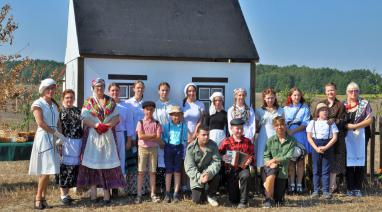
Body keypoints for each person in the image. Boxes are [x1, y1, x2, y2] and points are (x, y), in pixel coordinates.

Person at [76, 78, 125, 205]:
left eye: (101, 86)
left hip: (108, 136)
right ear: (93, 88)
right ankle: (93, 195)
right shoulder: (89, 101)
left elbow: (116, 117)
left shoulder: (110, 101)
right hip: (93, 136)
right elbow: (84, 118)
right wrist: (97, 126)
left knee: (106, 164)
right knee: (93, 165)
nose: (99, 88)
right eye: (97, 86)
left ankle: (106, 196)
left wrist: (107, 126)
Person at [29, 78, 61, 209]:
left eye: (53, 88)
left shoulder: (54, 105)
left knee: (49, 169)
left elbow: (58, 122)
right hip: (44, 137)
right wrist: (55, 133)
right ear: (43, 90)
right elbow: (40, 122)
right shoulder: (38, 103)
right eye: (49, 88)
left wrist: (60, 135)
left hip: (53, 136)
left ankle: (43, 198)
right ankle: (38, 198)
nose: (51, 91)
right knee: (45, 170)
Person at [344, 82, 372, 197]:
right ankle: (350, 187)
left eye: (356, 90)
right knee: (349, 162)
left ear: (359, 92)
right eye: (351, 91)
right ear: (347, 93)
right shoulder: (343, 105)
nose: (354, 93)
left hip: (362, 136)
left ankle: (358, 188)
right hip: (347, 137)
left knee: (360, 161)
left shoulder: (364, 104)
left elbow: (369, 120)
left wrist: (355, 126)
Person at [55, 89, 83, 205]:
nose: (69, 100)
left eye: (71, 97)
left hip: (78, 141)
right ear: (63, 99)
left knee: (74, 169)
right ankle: (63, 195)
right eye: (67, 97)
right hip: (66, 141)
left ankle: (67, 194)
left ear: (74, 98)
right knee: (65, 168)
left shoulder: (78, 111)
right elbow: (58, 127)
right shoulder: (60, 112)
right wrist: (60, 143)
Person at [317, 83, 347, 193]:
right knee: (325, 160)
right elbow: (315, 117)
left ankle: (332, 185)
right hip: (323, 138)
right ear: (325, 92)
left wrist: (335, 121)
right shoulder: (321, 104)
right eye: (328, 90)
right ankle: (324, 184)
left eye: (332, 90)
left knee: (336, 160)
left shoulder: (340, 105)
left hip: (337, 138)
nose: (330, 92)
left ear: (336, 91)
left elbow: (344, 121)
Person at [219, 118, 255, 209]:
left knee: (246, 176)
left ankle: (243, 201)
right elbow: (218, 153)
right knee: (233, 200)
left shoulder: (248, 141)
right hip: (230, 169)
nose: (239, 131)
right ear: (231, 129)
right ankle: (238, 196)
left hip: (243, 168)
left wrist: (250, 160)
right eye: (237, 128)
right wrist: (223, 157)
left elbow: (253, 155)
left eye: (241, 128)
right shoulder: (226, 141)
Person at [262, 116, 296, 208]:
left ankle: (268, 188)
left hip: (283, 171)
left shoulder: (292, 141)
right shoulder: (270, 140)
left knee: (278, 201)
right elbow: (266, 156)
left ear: (285, 126)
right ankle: (267, 199)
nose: (279, 127)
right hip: (270, 168)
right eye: (277, 125)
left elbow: (288, 156)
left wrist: (275, 160)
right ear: (274, 127)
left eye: (282, 125)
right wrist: (271, 163)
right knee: (272, 171)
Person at [307, 103, 338, 199]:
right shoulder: (313, 122)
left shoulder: (331, 123)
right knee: (316, 169)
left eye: (326, 110)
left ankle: (326, 191)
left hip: (327, 147)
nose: (325, 111)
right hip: (316, 146)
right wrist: (316, 148)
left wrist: (326, 147)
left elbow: (335, 137)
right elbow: (309, 137)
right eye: (322, 110)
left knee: (326, 170)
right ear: (317, 112)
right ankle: (316, 190)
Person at [135, 101, 164, 204]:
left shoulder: (156, 123)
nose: (149, 111)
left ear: (154, 110)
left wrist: (148, 136)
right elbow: (141, 136)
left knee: (152, 172)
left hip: (153, 149)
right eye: (147, 109)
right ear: (144, 110)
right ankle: (139, 194)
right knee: (141, 172)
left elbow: (158, 137)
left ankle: (152, 194)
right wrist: (152, 136)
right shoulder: (140, 122)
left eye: (151, 109)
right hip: (142, 149)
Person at [184, 126, 221, 207]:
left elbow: (217, 162)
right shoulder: (190, 148)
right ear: (197, 135)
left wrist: (209, 173)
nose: (206, 137)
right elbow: (189, 167)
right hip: (197, 176)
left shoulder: (213, 145)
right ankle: (204, 192)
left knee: (217, 176)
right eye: (203, 135)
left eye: (208, 134)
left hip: (208, 173)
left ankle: (211, 195)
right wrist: (200, 177)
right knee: (197, 201)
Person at [284, 87, 311, 194]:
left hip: (300, 136)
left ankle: (299, 184)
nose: (296, 97)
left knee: (300, 162)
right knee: (290, 162)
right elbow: (284, 122)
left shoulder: (305, 108)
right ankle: (291, 184)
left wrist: (293, 130)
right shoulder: (285, 108)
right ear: (290, 96)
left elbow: (305, 123)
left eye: (298, 95)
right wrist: (288, 131)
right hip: (289, 137)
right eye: (294, 95)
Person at [124, 80, 149, 195]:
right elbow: (128, 122)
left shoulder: (146, 104)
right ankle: (132, 189)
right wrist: (131, 138)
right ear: (133, 89)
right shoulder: (128, 103)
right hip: (133, 137)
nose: (140, 90)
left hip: (144, 139)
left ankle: (143, 189)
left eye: (141, 88)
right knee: (133, 165)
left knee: (144, 164)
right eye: (137, 88)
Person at [153, 82, 178, 196]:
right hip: (158, 136)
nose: (164, 92)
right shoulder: (155, 105)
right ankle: (160, 187)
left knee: (170, 160)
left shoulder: (173, 105)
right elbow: (154, 122)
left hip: (171, 136)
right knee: (159, 160)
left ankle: (170, 187)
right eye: (162, 90)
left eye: (166, 90)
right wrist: (159, 139)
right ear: (159, 91)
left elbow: (176, 121)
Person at [182, 83, 205, 196]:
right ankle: (184, 185)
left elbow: (201, 120)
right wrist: (188, 135)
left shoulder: (200, 104)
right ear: (186, 92)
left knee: (195, 160)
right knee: (185, 161)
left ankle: (194, 184)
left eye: (193, 91)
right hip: (184, 136)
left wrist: (195, 134)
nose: (191, 93)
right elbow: (181, 120)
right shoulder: (183, 104)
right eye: (189, 91)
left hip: (197, 135)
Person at [162, 106, 188, 203]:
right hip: (168, 148)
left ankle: (176, 193)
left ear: (181, 116)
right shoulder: (166, 126)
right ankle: (167, 193)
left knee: (177, 171)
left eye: (178, 115)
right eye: (174, 115)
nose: (176, 117)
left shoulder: (183, 126)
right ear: (171, 116)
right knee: (168, 171)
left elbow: (185, 139)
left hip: (179, 149)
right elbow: (164, 138)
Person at [108, 83, 130, 197]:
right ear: (109, 92)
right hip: (107, 135)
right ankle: (108, 187)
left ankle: (116, 188)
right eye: (112, 91)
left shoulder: (125, 106)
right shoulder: (105, 105)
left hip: (120, 135)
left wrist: (129, 140)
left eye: (116, 90)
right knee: (109, 160)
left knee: (120, 161)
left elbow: (129, 124)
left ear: (119, 92)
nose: (114, 93)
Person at [255, 88, 284, 168]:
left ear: (275, 98)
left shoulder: (281, 110)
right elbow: (256, 127)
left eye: (272, 98)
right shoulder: (259, 111)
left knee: (275, 158)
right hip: (263, 136)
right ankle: (264, 179)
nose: (270, 100)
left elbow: (284, 126)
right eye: (268, 98)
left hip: (276, 136)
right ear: (264, 98)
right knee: (263, 159)